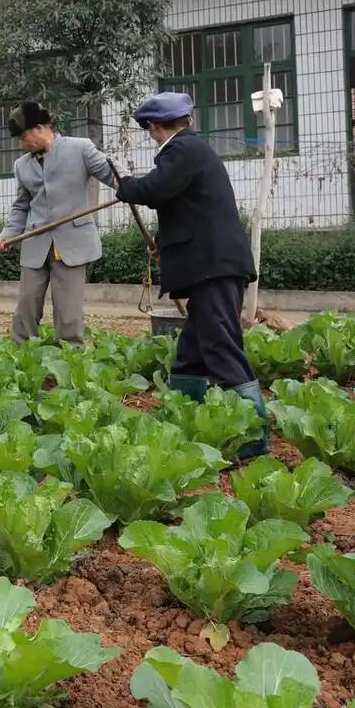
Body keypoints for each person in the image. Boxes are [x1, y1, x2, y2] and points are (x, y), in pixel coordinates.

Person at [114, 91, 268, 459]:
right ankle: (188, 423)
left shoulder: (182, 150)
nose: (151, 135)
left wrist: (124, 186)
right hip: (211, 267)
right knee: (191, 354)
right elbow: (183, 205)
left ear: (156, 127)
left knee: (222, 346)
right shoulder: (191, 151)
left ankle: (252, 440)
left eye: (150, 128)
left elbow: (155, 189)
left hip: (212, 268)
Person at [0, 101, 119, 344]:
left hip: (71, 243)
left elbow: (109, 172)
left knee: (68, 311)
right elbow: (21, 206)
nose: (22, 143)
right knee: (26, 305)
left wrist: (126, 185)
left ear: (40, 128)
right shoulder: (22, 165)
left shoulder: (80, 149)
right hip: (35, 242)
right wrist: (7, 234)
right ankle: (21, 354)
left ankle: (72, 359)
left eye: (24, 136)